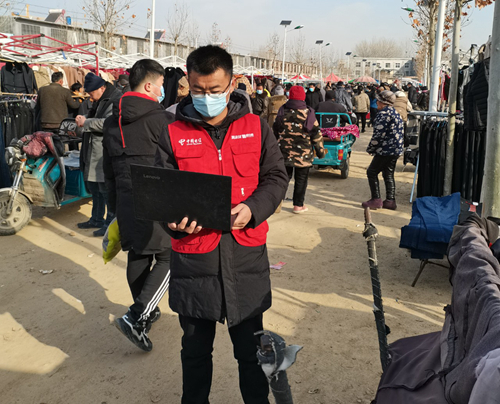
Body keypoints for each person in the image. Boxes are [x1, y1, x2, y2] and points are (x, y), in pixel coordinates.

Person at [154, 45, 288, 404]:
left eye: (214, 90)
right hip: (194, 259)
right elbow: (161, 192)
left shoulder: (256, 127)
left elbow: (276, 177)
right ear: (188, 82)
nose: (206, 97)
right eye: (198, 90)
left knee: (251, 353)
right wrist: (173, 222)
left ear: (231, 85)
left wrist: (253, 208)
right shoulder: (171, 132)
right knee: (195, 352)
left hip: (246, 258)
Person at [103, 59, 173, 352]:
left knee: (139, 254)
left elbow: (107, 171)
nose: (162, 91)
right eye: (161, 85)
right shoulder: (162, 120)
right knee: (170, 257)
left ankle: (145, 309)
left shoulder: (111, 122)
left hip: (126, 199)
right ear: (148, 86)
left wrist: (114, 209)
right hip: (159, 198)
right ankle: (137, 316)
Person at [75, 73, 122, 236]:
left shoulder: (115, 99)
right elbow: (96, 116)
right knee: (95, 188)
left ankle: (109, 224)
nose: (90, 97)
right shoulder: (101, 99)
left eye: (91, 93)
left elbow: (108, 122)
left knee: (106, 189)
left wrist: (86, 122)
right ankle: (96, 219)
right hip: (94, 149)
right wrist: (84, 117)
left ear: (102, 88)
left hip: (104, 151)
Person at [274, 85, 325, 213]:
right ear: (303, 97)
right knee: (301, 180)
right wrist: (320, 152)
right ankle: (298, 205)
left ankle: (276, 203)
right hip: (303, 155)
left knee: (283, 179)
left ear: (290, 96)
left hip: (284, 154)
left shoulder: (282, 112)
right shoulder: (309, 114)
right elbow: (316, 135)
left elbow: (274, 132)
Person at [363, 90, 404, 210]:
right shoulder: (395, 113)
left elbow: (378, 135)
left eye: (378, 100)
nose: (376, 102)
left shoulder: (383, 114)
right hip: (396, 149)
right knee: (388, 173)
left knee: (371, 172)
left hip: (385, 150)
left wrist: (371, 148)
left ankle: (376, 200)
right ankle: (390, 201)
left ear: (382, 102)